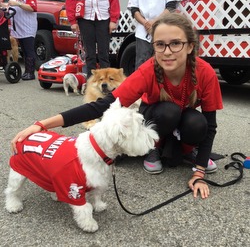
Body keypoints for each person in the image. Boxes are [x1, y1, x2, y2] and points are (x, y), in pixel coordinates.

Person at [11, 13, 223, 199]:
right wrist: (42, 125)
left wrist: (199, 173)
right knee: (169, 111)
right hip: (157, 118)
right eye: (160, 44)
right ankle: (154, 150)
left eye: (175, 43)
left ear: (190, 46)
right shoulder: (148, 69)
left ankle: (187, 152)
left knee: (198, 123)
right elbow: (101, 106)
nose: (167, 51)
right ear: (154, 46)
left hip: (180, 123)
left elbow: (211, 127)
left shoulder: (205, 73)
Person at [65, 0, 120, 78]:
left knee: (104, 54)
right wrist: (72, 21)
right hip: (85, 18)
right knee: (90, 54)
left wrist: (113, 20)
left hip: (103, 18)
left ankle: (105, 82)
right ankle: (91, 81)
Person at [128, 0, 181, 69]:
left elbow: (171, 7)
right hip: (143, 31)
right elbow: (134, 9)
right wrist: (145, 23)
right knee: (142, 63)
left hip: (164, 28)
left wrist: (154, 22)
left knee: (163, 61)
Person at [1, 0, 37, 80]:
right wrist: (4, 6)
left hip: (28, 26)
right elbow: (10, 7)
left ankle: (30, 73)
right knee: (24, 50)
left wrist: (18, 4)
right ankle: (27, 71)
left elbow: (32, 8)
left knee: (29, 49)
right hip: (18, 27)